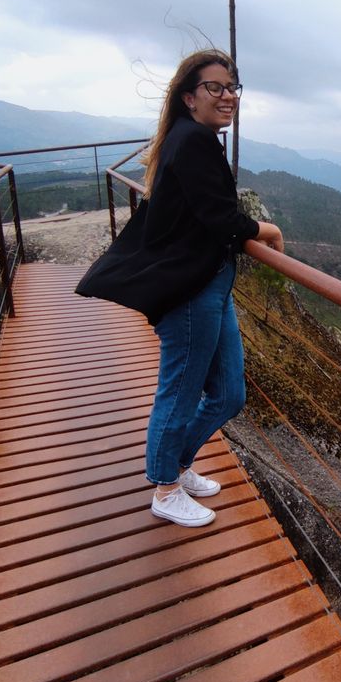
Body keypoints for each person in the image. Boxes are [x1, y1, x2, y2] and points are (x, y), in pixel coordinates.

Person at [76, 49, 284, 527]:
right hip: (191, 292)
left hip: (210, 287)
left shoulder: (192, 137)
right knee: (180, 392)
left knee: (230, 392)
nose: (228, 95)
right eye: (216, 87)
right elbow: (221, 218)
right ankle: (165, 488)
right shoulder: (193, 141)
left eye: (233, 87)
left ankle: (178, 464)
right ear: (190, 97)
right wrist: (266, 231)